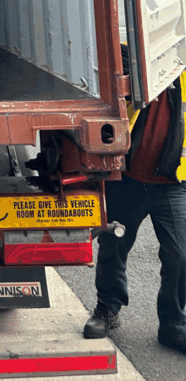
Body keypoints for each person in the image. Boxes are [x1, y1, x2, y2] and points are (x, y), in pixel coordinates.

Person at [84, 47, 186, 353]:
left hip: (171, 182)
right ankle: (107, 309)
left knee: (180, 255)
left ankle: (174, 326)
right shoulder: (133, 65)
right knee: (113, 247)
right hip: (127, 178)